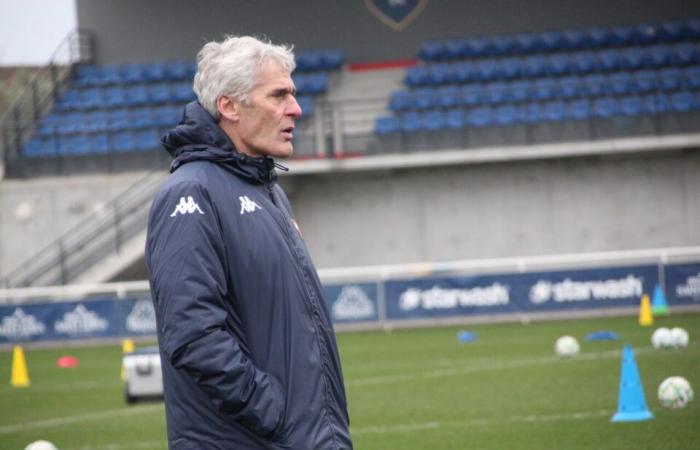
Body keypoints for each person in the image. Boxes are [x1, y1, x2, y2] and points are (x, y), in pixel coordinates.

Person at [145, 35, 353, 449]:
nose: (295, 108)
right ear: (229, 106)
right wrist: (272, 412)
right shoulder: (189, 195)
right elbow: (193, 334)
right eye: (278, 95)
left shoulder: (269, 191)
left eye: (292, 94)